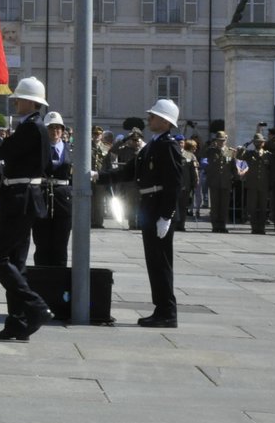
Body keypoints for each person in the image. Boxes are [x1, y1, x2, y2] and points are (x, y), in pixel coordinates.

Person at [97, 97, 185, 328]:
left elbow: (174, 183)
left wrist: (166, 216)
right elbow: (129, 171)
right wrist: (99, 177)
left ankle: (167, 311)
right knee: (153, 262)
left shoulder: (169, 146)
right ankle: (161, 309)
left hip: (158, 209)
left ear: (165, 122)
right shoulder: (153, 145)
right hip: (149, 205)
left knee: (161, 263)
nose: (149, 118)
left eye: (154, 116)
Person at [0, 76, 53, 341]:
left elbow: (4, 152)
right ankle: (17, 321)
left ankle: (35, 306)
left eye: (19, 98)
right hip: (23, 197)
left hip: (21, 199)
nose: (15, 101)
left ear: (30, 101)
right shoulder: (32, 126)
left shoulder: (33, 127)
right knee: (15, 263)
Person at [31, 111, 73, 267]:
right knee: (41, 244)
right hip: (42, 196)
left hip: (63, 199)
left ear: (62, 130)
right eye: (50, 128)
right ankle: (42, 282)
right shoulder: (38, 150)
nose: (54, 131)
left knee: (61, 245)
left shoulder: (71, 150)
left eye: (58, 128)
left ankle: (59, 284)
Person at [204, 131, 238, 233]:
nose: (221, 142)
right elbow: (201, 154)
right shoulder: (211, 151)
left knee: (224, 205)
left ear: (226, 140)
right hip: (214, 182)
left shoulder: (230, 152)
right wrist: (210, 144)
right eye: (219, 140)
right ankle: (215, 226)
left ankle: (222, 225)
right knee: (214, 206)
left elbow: (233, 167)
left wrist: (236, 179)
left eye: (223, 140)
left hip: (226, 182)